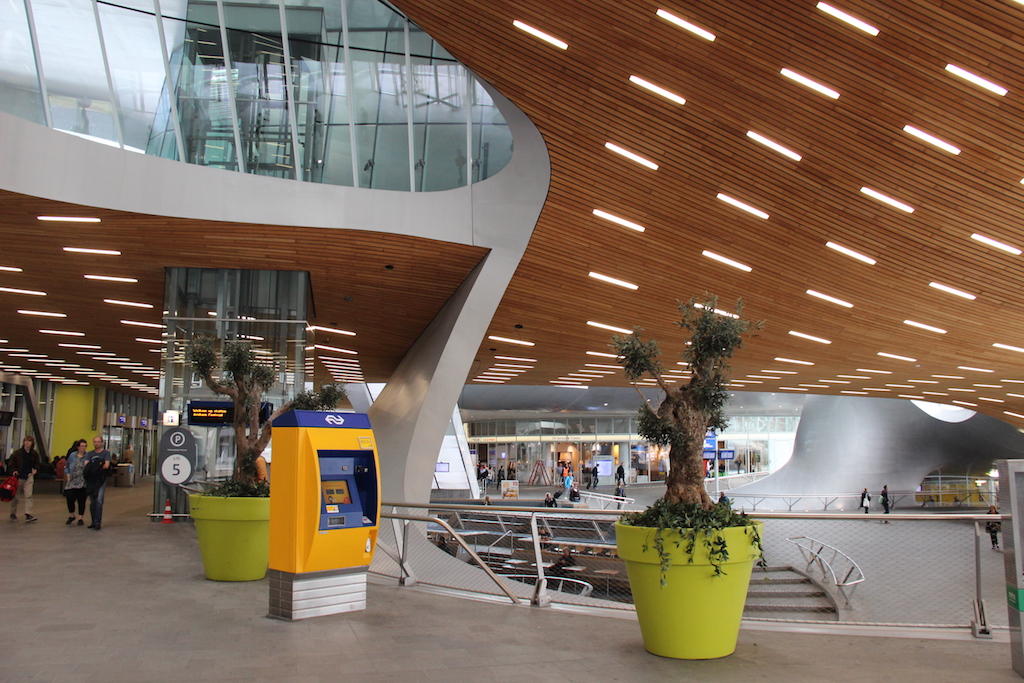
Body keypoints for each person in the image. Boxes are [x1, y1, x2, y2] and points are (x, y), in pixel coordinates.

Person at [8, 435, 40, 522]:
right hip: (19, 477)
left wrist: (35, 469)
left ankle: (28, 513)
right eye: (26, 440)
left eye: (29, 441)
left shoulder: (34, 454)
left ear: (32, 443)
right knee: (16, 496)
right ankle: (13, 513)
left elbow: (37, 463)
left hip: (29, 476)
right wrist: (14, 470)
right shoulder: (17, 453)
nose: (27, 442)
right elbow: (11, 464)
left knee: (28, 495)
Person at [85, 436, 112, 530]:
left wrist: (95, 466)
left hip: (101, 479)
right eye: (95, 442)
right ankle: (93, 521)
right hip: (91, 480)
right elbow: (86, 465)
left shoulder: (105, 453)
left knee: (99, 499)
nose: (96, 443)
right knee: (92, 501)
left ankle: (97, 522)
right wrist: (98, 465)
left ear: (102, 443)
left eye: (98, 442)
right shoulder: (89, 454)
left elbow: (106, 465)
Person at [64, 440, 89, 526]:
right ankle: (71, 515)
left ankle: (80, 517)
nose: (83, 448)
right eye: (81, 446)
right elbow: (67, 466)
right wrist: (67, 474)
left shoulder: (87, 456)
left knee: (81, 500)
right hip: (72, 480)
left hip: (82, 481)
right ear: (78, 447)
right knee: (70, 498)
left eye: (84, 446)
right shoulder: (72, 456)